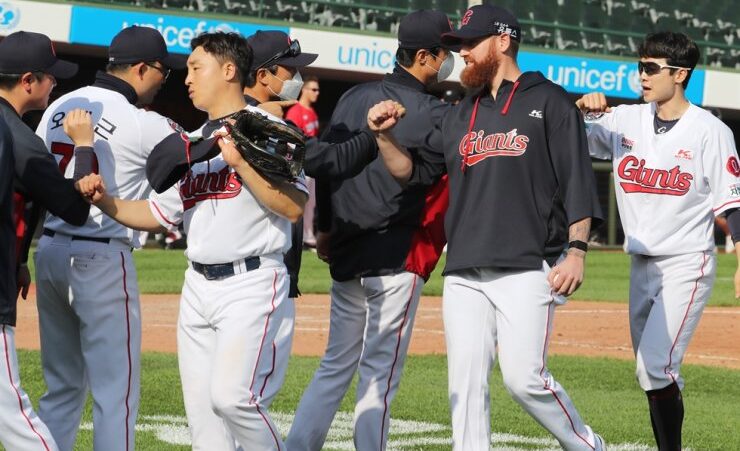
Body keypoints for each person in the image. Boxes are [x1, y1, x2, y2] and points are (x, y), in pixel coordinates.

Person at [365, 5, 606, 450]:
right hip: (464, 269)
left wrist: (576, 250)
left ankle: (588, 445)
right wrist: (383, 138)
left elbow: (576, 178)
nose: (462, 54)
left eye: (470, 44)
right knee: (466, 387)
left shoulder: (549, 100)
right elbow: (415, 174)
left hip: (527, 263)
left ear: (502, 41)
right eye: (457, 45)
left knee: (524, 378)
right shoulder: (459, 112)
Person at [74, 31, 308, 450]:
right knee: (204, 426)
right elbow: (157, 213)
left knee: (233, 400)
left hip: (251, 281)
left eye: (197, 67)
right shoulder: (192, 142)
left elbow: (291, 208)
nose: (187, 78)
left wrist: (241, 163)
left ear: (230, 70)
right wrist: (106, 201)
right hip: (197, 286)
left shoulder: (272, 130)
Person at [286, 9, 455, 451]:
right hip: (395, 254)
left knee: (334, 365)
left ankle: (297, 446)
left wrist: (323, 229)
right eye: (444, 52)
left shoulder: (352, 98)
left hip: (345, 248)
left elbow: (325, 169)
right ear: (424, 56)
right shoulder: (435, 112)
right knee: (379, 374)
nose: (448, 60)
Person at [576, 31, 740, 450]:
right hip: (640, 265)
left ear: (680, 73)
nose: (642, 76)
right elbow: (566, 138)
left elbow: (732, 205)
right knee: (655, 374)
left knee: (654, 367)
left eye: (652, 68)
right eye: (640, 66)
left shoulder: (710, 131)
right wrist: (582, 108)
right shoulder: (625, 120)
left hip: (686, 264)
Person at [33, 26, 185, 451]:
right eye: (162, 71)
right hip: (101, 255)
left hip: (49, 252)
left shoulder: (61, 104)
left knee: (61, 388)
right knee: (115, 394)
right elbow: (195, 154)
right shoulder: (143, 122)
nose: (163, 79)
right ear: (140, 68)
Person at [0, 31, 90, 451]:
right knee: (15, 418)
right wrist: (85, 148)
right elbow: (74, 208)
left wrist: (18, 256)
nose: (57, 83)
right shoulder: (20, 139)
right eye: (51, 76)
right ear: (28, 81)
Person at [243, 30, 318, 305]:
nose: (297, 78)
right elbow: (329, 158)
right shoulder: (235, 125)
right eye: (290, 69)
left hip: (270, 273)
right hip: (258, 277)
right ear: (263, 75)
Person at [286, 75, 320, 248]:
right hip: (299, 165)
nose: (317, 93)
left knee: (311, 203)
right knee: (299, 201)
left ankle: (308, 236)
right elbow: (291, 140)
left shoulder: (312, 112)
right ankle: (297, 238)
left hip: (311, 165)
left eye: (318, 90)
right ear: (304, 90)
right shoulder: (295, 111)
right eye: (313, 89)